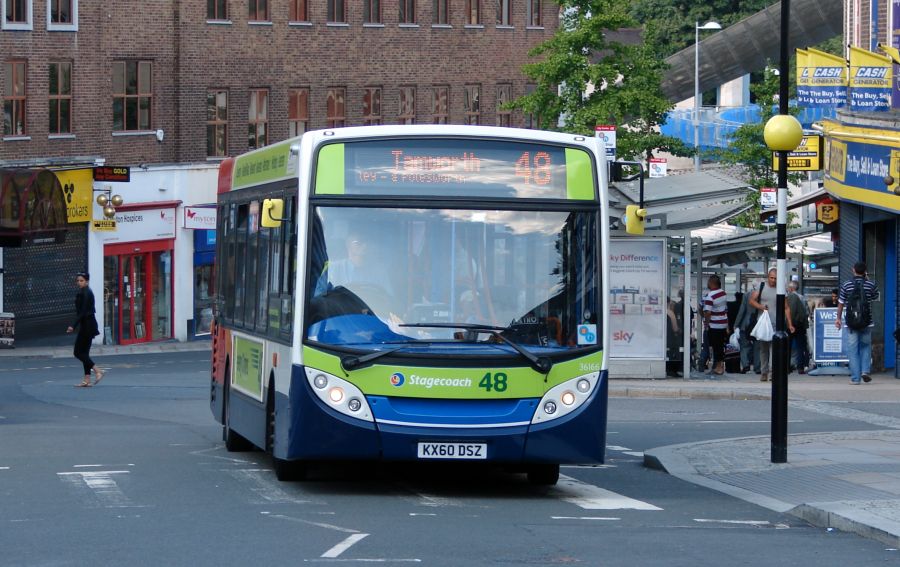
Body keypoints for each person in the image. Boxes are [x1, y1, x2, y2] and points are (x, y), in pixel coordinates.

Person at [836, 261, 879, 385]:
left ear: (853, 270)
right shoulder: (871, 284)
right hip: (867, 322)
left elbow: (841, 303)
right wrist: (868, 280)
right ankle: (865, 371)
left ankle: (855, 379)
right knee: (865, 347)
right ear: (865, 271)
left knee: (853, 350)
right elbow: (875, 297)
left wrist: (838, 319)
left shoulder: (847, 285)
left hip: (851, 323)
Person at [749, 268, 795, 382]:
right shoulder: (761, 286)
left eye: (775, 278)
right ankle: (764, 372)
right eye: (771, 278)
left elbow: (786, 307)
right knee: (763, 348)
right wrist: (761, 307)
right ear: (768, 277)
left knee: (773, 348)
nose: (773, 280)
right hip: (763, 323)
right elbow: (752, 300)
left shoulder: (781, 289)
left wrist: (790, 324)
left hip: (776, 323)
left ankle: (771, 372)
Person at [66, 272, 104, 387]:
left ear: (86, 281)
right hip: (88, 324)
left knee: (77, 352)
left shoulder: (86, 293)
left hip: (87, 325)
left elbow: (82, 312)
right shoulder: (85, 291)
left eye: (81, 280)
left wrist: (73, 325)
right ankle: (86, 380)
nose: (79, 283)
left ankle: (97, 370)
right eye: (78, 280)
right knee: (84, 353)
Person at [702, 274, 729, 375]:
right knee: (720, 346)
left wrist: (706, 324)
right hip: (722, 324)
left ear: (712, 283)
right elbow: (725, 309)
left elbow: (707, 312)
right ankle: (720, 366)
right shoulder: (723, 293)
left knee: (715, 346)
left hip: (714, 325)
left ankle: (718, 367)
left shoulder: (710, 296)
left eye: (709, 282)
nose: (708, 283)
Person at [734, 283, 761, 374]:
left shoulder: (746, 295)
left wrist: (736, 324)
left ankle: (746, 366)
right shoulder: (763, 295)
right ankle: (758, 367)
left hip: (746, 323)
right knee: (758, 347)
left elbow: (742, 310)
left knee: (744, 346)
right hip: (759, 323)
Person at [786, 281, 810, 374]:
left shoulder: (787, 298)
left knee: (787, 346)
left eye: (788, 287)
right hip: (800, 325)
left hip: (789, 324)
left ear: (791, 288)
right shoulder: (802, 298)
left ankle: (787, 366)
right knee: (801, 346)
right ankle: (800, 366)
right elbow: (806, 312)